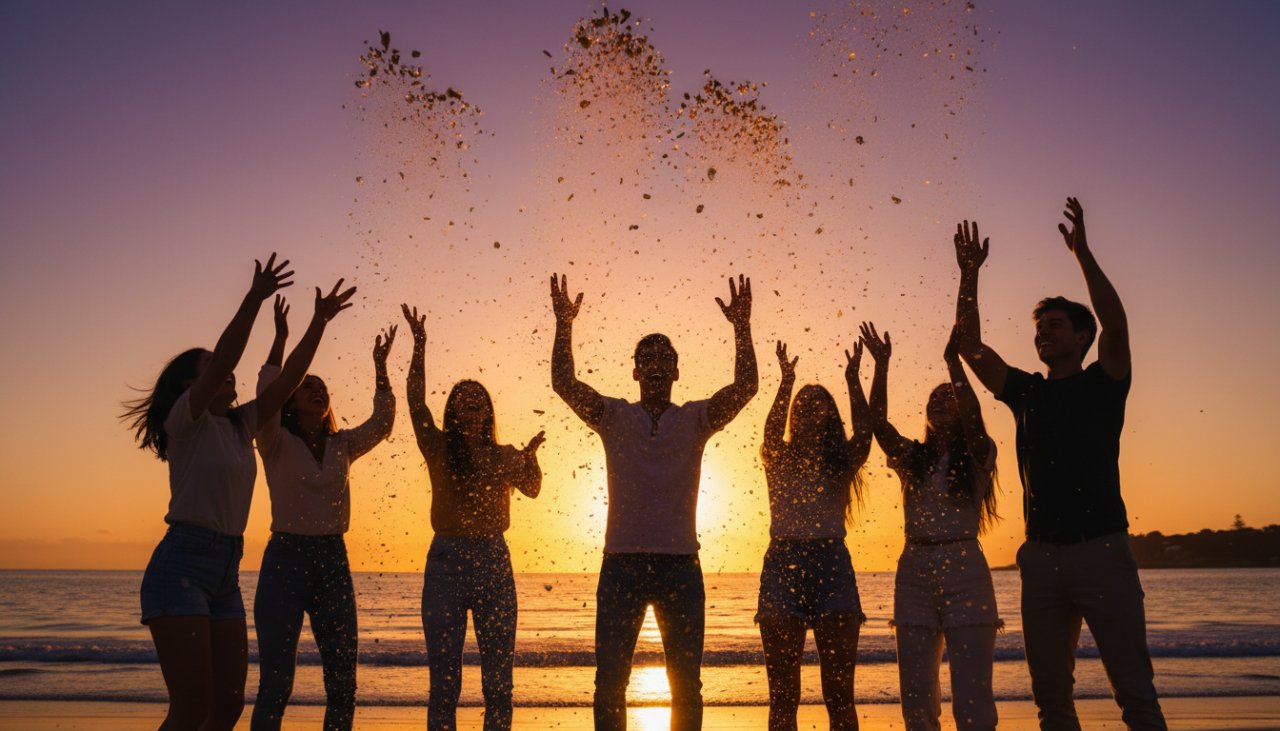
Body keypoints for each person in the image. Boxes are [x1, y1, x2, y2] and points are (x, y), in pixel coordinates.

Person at [952, 201, 1167, 729]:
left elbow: (1116, 324)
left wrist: (1082, 255)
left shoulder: (1104, 384)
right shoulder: (1027, 392)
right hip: (1041, 558)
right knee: (1050, 698)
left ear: (1081, 337)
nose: (1042, 332)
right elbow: (970, 347)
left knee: (1134, 692)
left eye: (1054, 325)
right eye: (1039, 327)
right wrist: (969, 273)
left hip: (1103, 552)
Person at [123, 255, 355, 731]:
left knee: (227, 708)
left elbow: (288, 380)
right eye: (211, 368)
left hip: (225, 571)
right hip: (182, 566)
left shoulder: (240, 425)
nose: (226, 372)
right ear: (190, 386)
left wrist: (319, 321)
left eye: (223, 368)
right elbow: (228, 358)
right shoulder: (186, 421)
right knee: (191, 708)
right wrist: (253, 298)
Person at [550, 273, 758, 731]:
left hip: (680, 565)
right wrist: (564, 324)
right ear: (636, 371)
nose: (657, 365)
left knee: (686, 685)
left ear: (677, 371)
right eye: (648, 359)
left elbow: (745, 388)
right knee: (610, 683)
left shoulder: (696, 418)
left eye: (666, 358)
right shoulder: (614, 415)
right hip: (621, 564)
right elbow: (564, 383)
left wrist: (742, 328)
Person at [250, 295, 397, 731]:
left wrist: (380, 367)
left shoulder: (343, 444)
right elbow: (267, 390)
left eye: (323, 389)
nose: (318, 391)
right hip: (285, 560)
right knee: (277, 683)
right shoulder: (274, 441)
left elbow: (383, 422)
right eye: (307, 386)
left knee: (343, 682)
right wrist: (281, 339)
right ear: (291, 399)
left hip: (333, 560)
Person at [402, 304, 545, 731]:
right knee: (445, 684)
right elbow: (415, 403)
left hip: (493, 562)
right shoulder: (439, 447)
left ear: (487, 412)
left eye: (477, 401)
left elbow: (533, 488)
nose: (469, 406)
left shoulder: (503, 455)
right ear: (452, 411)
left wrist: (531, 460)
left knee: (499, 684)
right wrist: (419, 346)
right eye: (462, 401)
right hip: (446, 561)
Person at [860, 322, 1000, 731]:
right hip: (914, 572)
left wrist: (953, 363)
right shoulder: (913, 459)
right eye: (933, 398)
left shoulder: (979, 453)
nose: (939, 401)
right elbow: (878, 425)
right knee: (917, 702)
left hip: (965, 569)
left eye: (948, 396)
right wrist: (881, 366)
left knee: (973, 702)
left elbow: (975, 417)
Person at [757, 339, 872, 731]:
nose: (807, 408)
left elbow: (865, 434)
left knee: (839, 695)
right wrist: (786, 382)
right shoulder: (778, 456)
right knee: (783, 695)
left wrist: (853, 380)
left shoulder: (840, 461)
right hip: (782, 564)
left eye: (816, 403)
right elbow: (770, 432)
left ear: (829, 414)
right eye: (800, 405)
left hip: (831, 563)